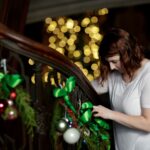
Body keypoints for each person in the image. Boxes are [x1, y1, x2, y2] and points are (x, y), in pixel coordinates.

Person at [91, 28, 150, 150]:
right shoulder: (115, 74)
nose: (111, 67)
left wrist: (110, 114)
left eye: (114, 61)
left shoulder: (148, 75)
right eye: (108, 62)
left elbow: (148, 124)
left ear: (127, 54)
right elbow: (89, 87)